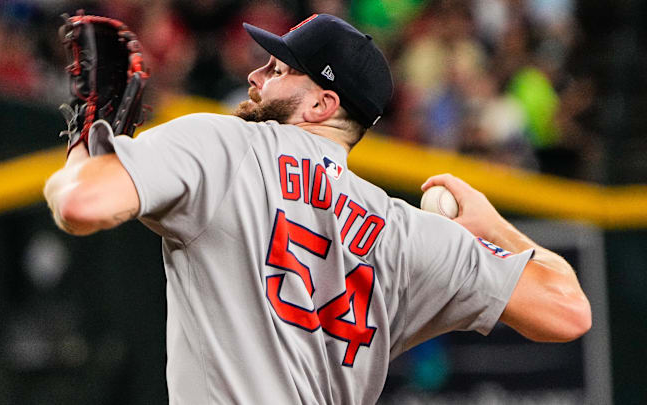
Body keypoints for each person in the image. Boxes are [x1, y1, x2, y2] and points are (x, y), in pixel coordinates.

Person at [44, 14, 591, 404]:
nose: (257, 76)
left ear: (322, 103)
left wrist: (84, 141)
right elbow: (569, 311)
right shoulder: (408, 233)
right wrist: (492, 224)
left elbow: (81, 204)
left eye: (279, 69)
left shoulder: (227, 144)